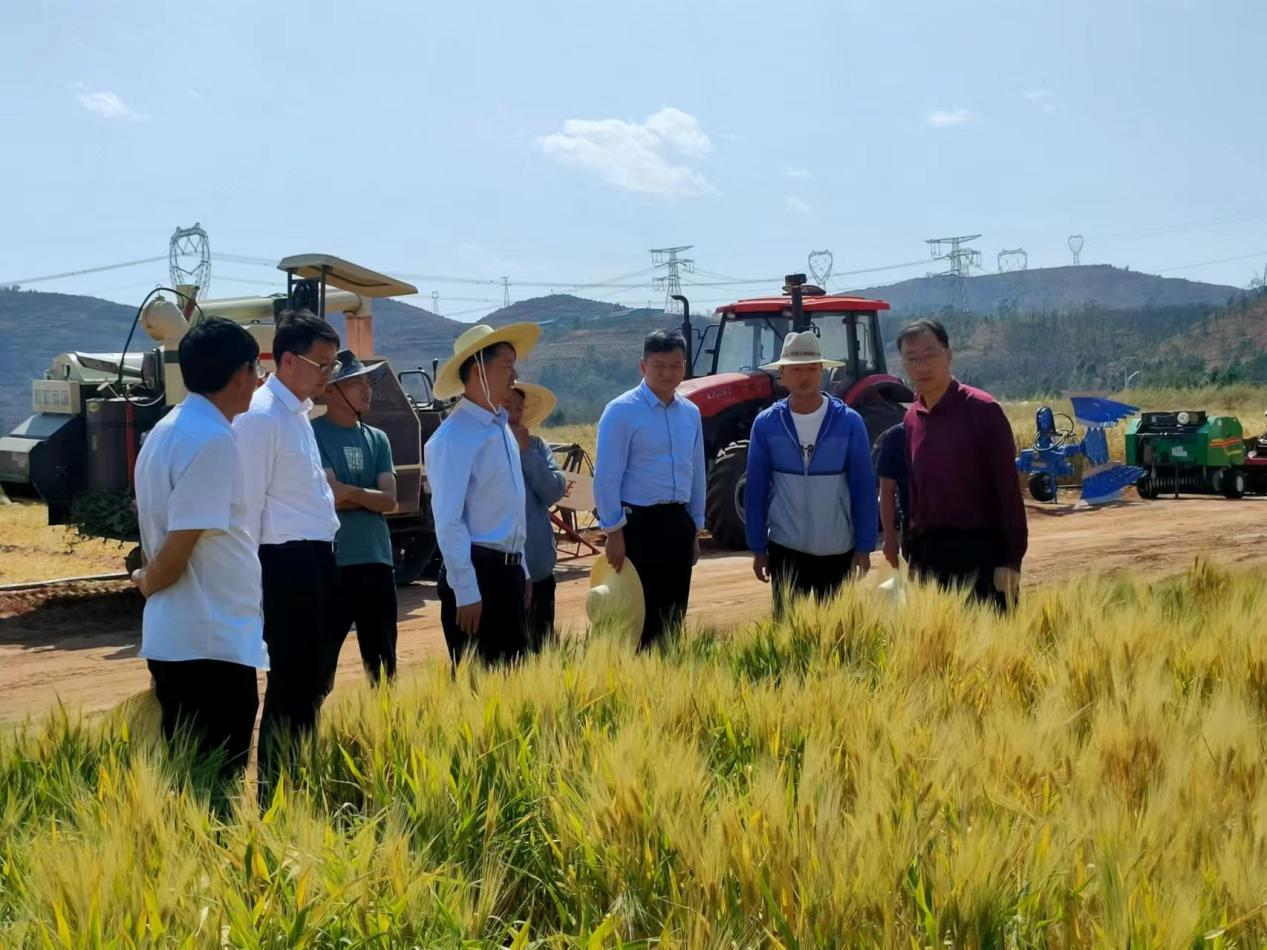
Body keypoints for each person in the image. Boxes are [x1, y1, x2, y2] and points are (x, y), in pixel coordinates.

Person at [132, 317, 265, 798]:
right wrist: (147, 580)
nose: (257, 382)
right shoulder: (211, 440)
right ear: (238, 375)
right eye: (255, 370)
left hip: (187, 639)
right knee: (215, 794)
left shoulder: (168, 430)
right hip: (210, 643)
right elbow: (178, 549)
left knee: (185, 788)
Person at [232, 310, 341, 792]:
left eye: (333, 365)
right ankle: (276, 788)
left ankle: (300, 774)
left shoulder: (296, 415)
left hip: (314, 560)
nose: (329, 375)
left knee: (313, 678)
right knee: (292, 681)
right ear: (288, 360)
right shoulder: (260, 417)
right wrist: (253, 592)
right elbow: (247, 510)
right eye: (323, 364)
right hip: (285, 565)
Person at [425, 322, 542, 666]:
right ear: (479, 370)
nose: (515, 374)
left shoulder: (500, 429)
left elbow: (510, 510)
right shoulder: (452, 439)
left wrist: (523, 571)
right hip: (478, 573)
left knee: (510, 681)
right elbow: (449, 521)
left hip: (506, 573)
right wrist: (466, 589)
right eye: (507, 365)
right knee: (480, 684)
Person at [744, 331, 877, 616]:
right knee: (791, 641)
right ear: (782, 374)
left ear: (822, 372)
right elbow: (755, 489)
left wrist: (865, 545)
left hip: (838, 549)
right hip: (786, 549)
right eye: (795, 369)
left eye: (811, 368)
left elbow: (864, 488)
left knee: (839, 641)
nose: (804, 376)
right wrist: (758, 547)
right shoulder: (766, 424)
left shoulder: (850, 423)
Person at [898, 318, 1027, 610]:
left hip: (982, 555)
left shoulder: (983, 411)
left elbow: (1007, 491)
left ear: (949, 355)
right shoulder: (911, 420)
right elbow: (916, 495)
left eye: (930, 355)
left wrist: (1010, 560)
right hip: (932, 560)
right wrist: (915, 558)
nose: (922, 365)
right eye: (912, 359)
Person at [594, 330, 705, 648]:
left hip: (678, 523)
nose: (668, 373)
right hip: (638, 526)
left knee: (673, 618)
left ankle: (667, 680)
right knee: (637, 618)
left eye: (676, 365)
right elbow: (607, 477)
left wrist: (695, 530)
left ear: (684, 366)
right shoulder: (621, 411)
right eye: (659, 365)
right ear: (643, 366)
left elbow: (696, 473)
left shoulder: (691, 413)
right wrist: (613, 531)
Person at [311, 350, 398, 687]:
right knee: (320, 665)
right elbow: (326, 498)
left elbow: (389, 500)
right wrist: (365, 497)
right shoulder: (312, 434)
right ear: (331, 390)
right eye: (357, 382)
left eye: (367, 382)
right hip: (334, 561)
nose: (367, 389)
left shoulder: (378, 439)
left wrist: (349, 492)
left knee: (383, 664)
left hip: (377, 560)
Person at [506, 383, 567, 648]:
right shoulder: (486, 448)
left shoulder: (538, 446)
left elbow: (553, 490)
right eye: (507, 407)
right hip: (504, 568)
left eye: (518, 408)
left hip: (539, 563)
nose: (513, 414)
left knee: (542, 644)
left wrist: (527, 452)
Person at [874, 422, 910, 569]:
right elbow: (887, 490)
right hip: (915, 532)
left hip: (966, 531)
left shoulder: (961, 429)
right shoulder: (898, 435)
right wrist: (889, 537)